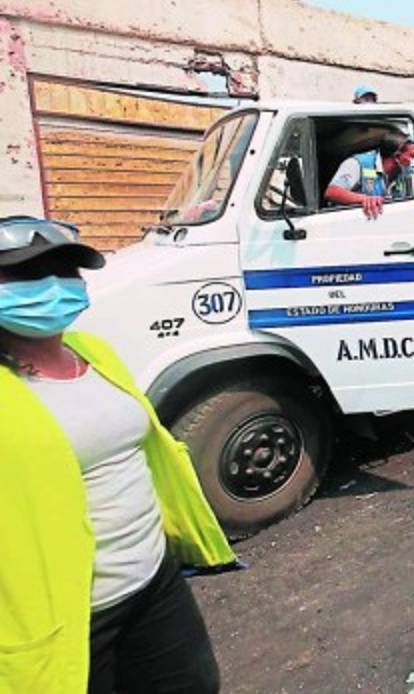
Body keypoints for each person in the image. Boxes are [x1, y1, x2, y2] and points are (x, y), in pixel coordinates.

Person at [0, 215, 237, 692]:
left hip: (154, 582)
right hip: (68, 617)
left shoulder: (93, 351)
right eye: (27, 274)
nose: (54, 285)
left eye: (67, 271)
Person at [324, 134, 412, 218]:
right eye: (413, 156)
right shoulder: (358, 163)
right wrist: (365, 199)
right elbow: (332, 192)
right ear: (397, 156)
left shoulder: (403, 173)